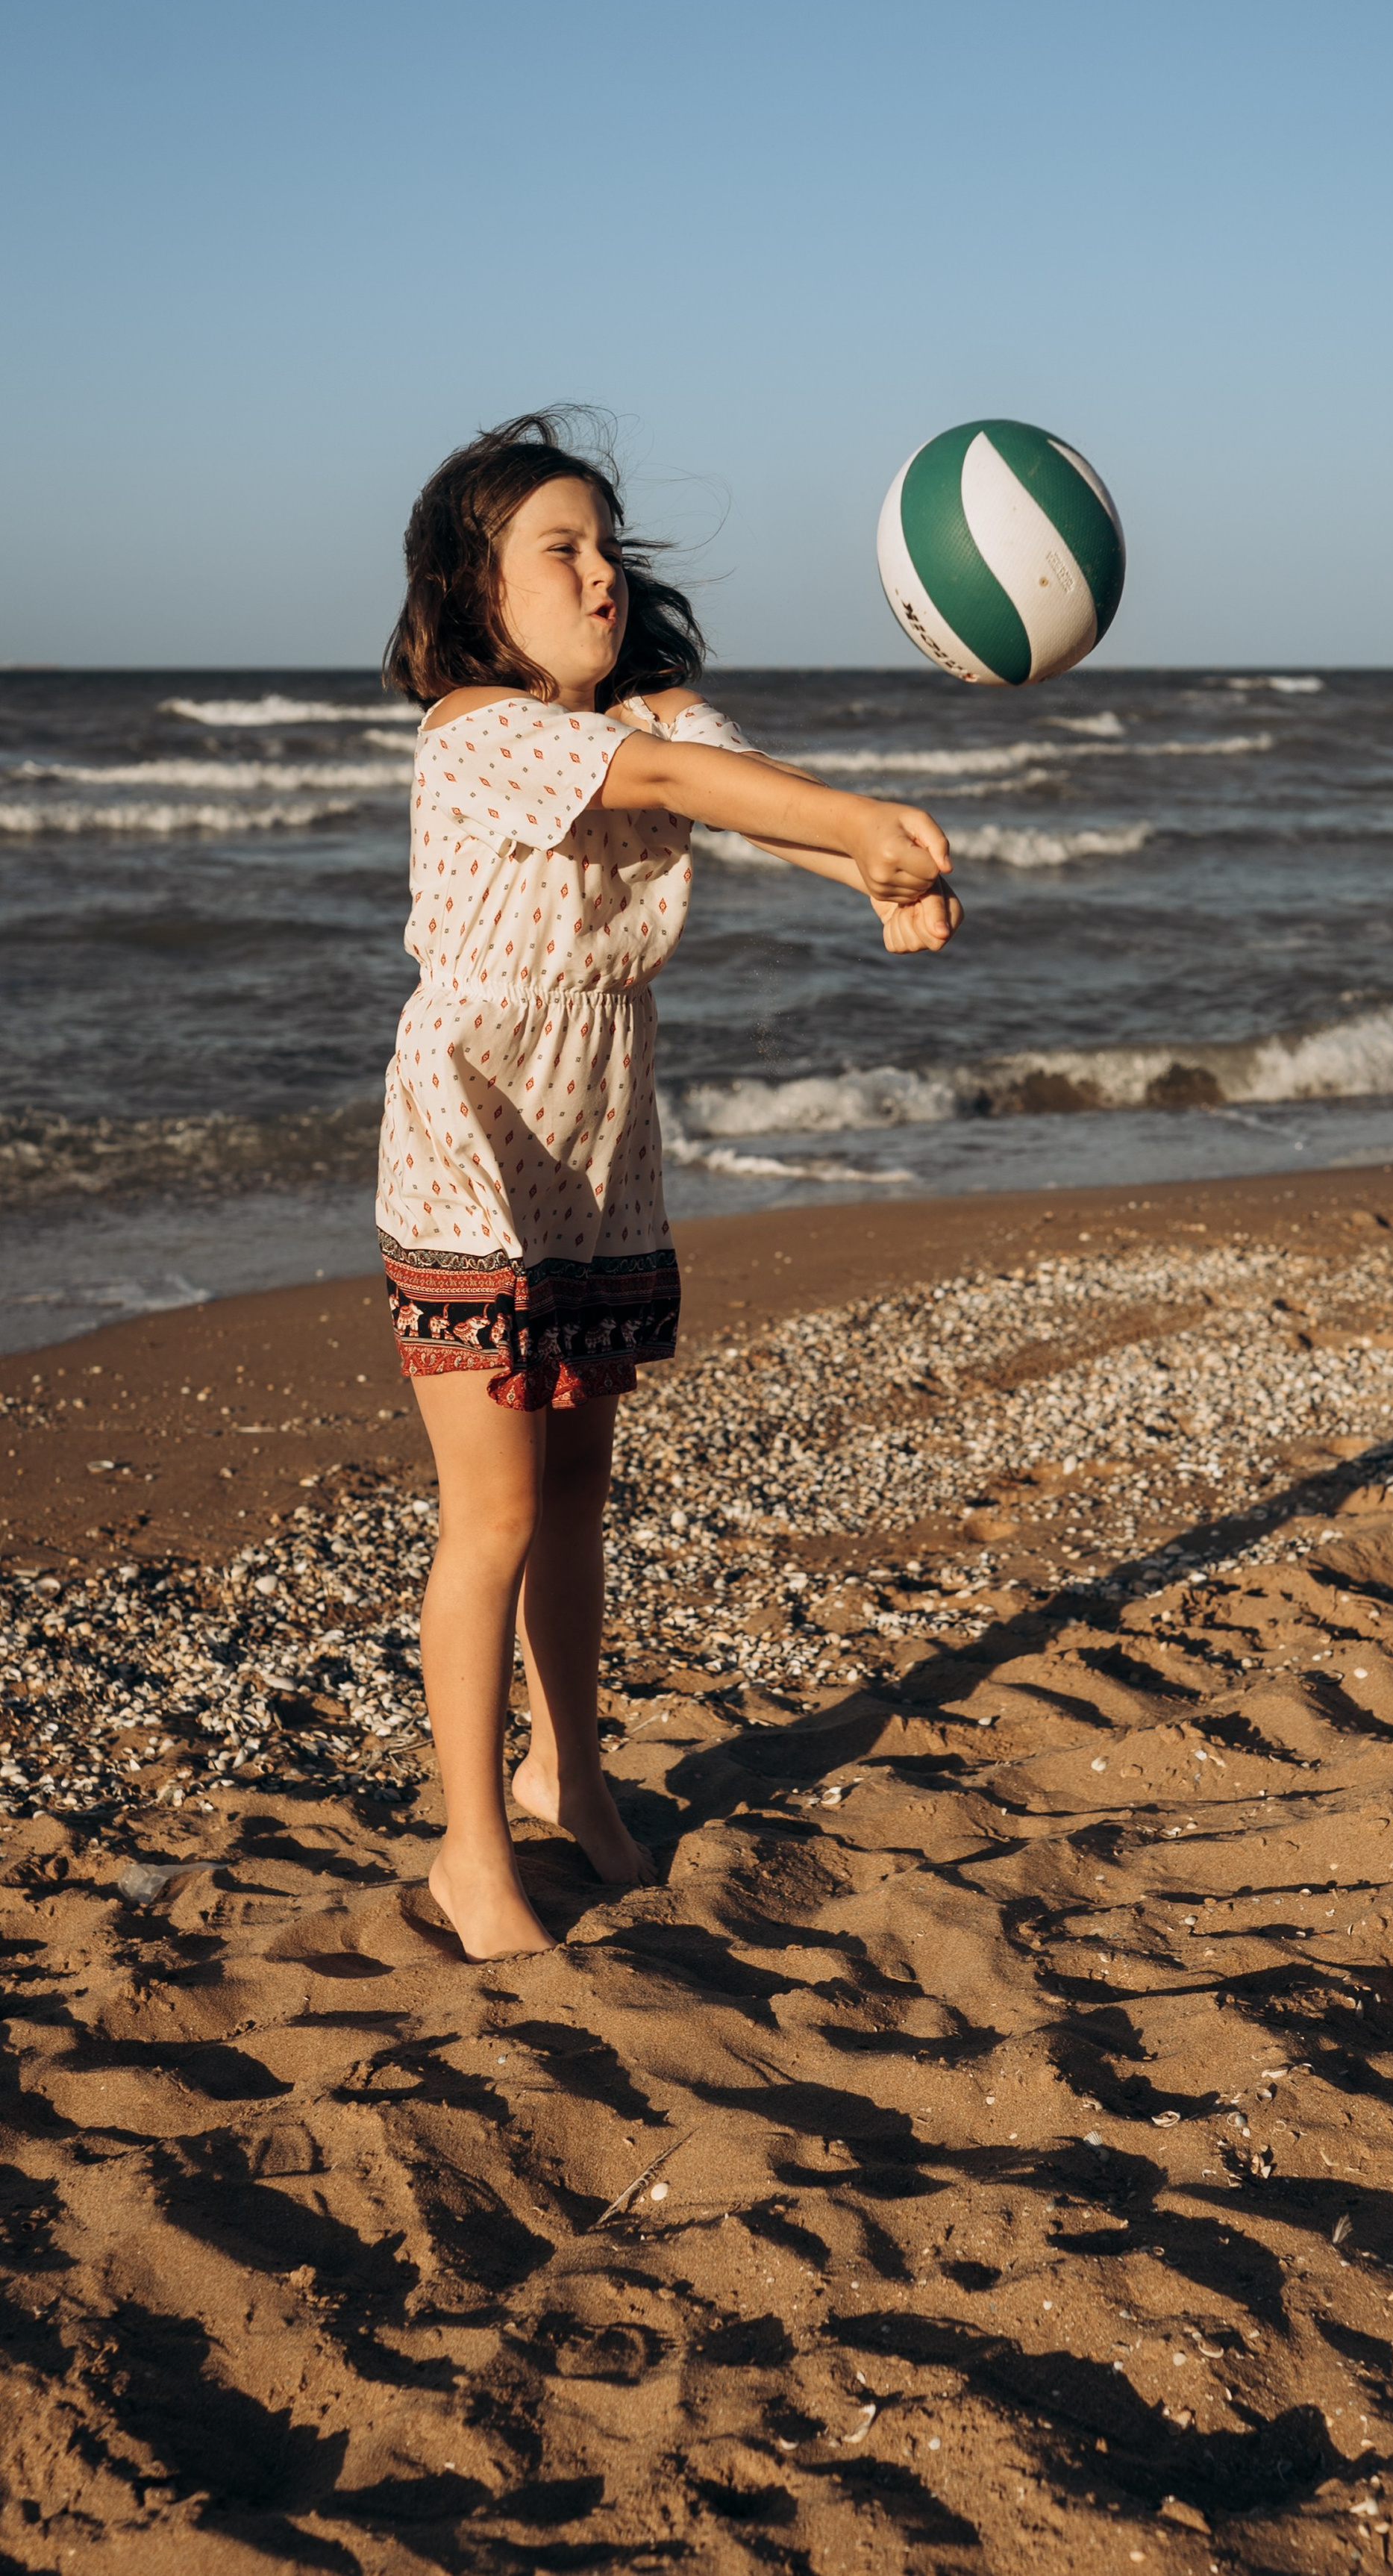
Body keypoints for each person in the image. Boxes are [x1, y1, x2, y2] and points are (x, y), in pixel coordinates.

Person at [378, 411, 960, 1957]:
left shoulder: (655, 715)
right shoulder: (478, 728)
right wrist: (856, 829)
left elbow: (740, 791)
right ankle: (466, 1850)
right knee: (490, 1512)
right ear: (474, 588)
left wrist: (878, 873)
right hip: (477, 1139)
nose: (597, 575)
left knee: (577, 1490)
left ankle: (566, 1765)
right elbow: (659, 780)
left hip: (600, 1139)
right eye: (555, 549)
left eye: (604, 547)